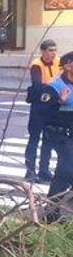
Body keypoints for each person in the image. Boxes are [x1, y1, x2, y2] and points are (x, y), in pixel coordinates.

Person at [38, 51, 73, 222]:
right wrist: (59, 101)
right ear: (67, 66)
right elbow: (42, 112)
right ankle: (51, 211)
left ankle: (52, 210)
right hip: (58, 134)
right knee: (67, 168)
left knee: (65, 171)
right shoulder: (53, 86)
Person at [25, 39, 60, 183]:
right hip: (39, 107)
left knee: (48, 140)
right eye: (51, 50)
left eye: (55, 50)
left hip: (52, 107)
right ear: (43, 51)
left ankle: (44, 170)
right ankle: (30, 170)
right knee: (34, 139)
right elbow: (38, 85)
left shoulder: (59, 61)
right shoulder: (36, 65)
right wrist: (55, 86)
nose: (53, 53)